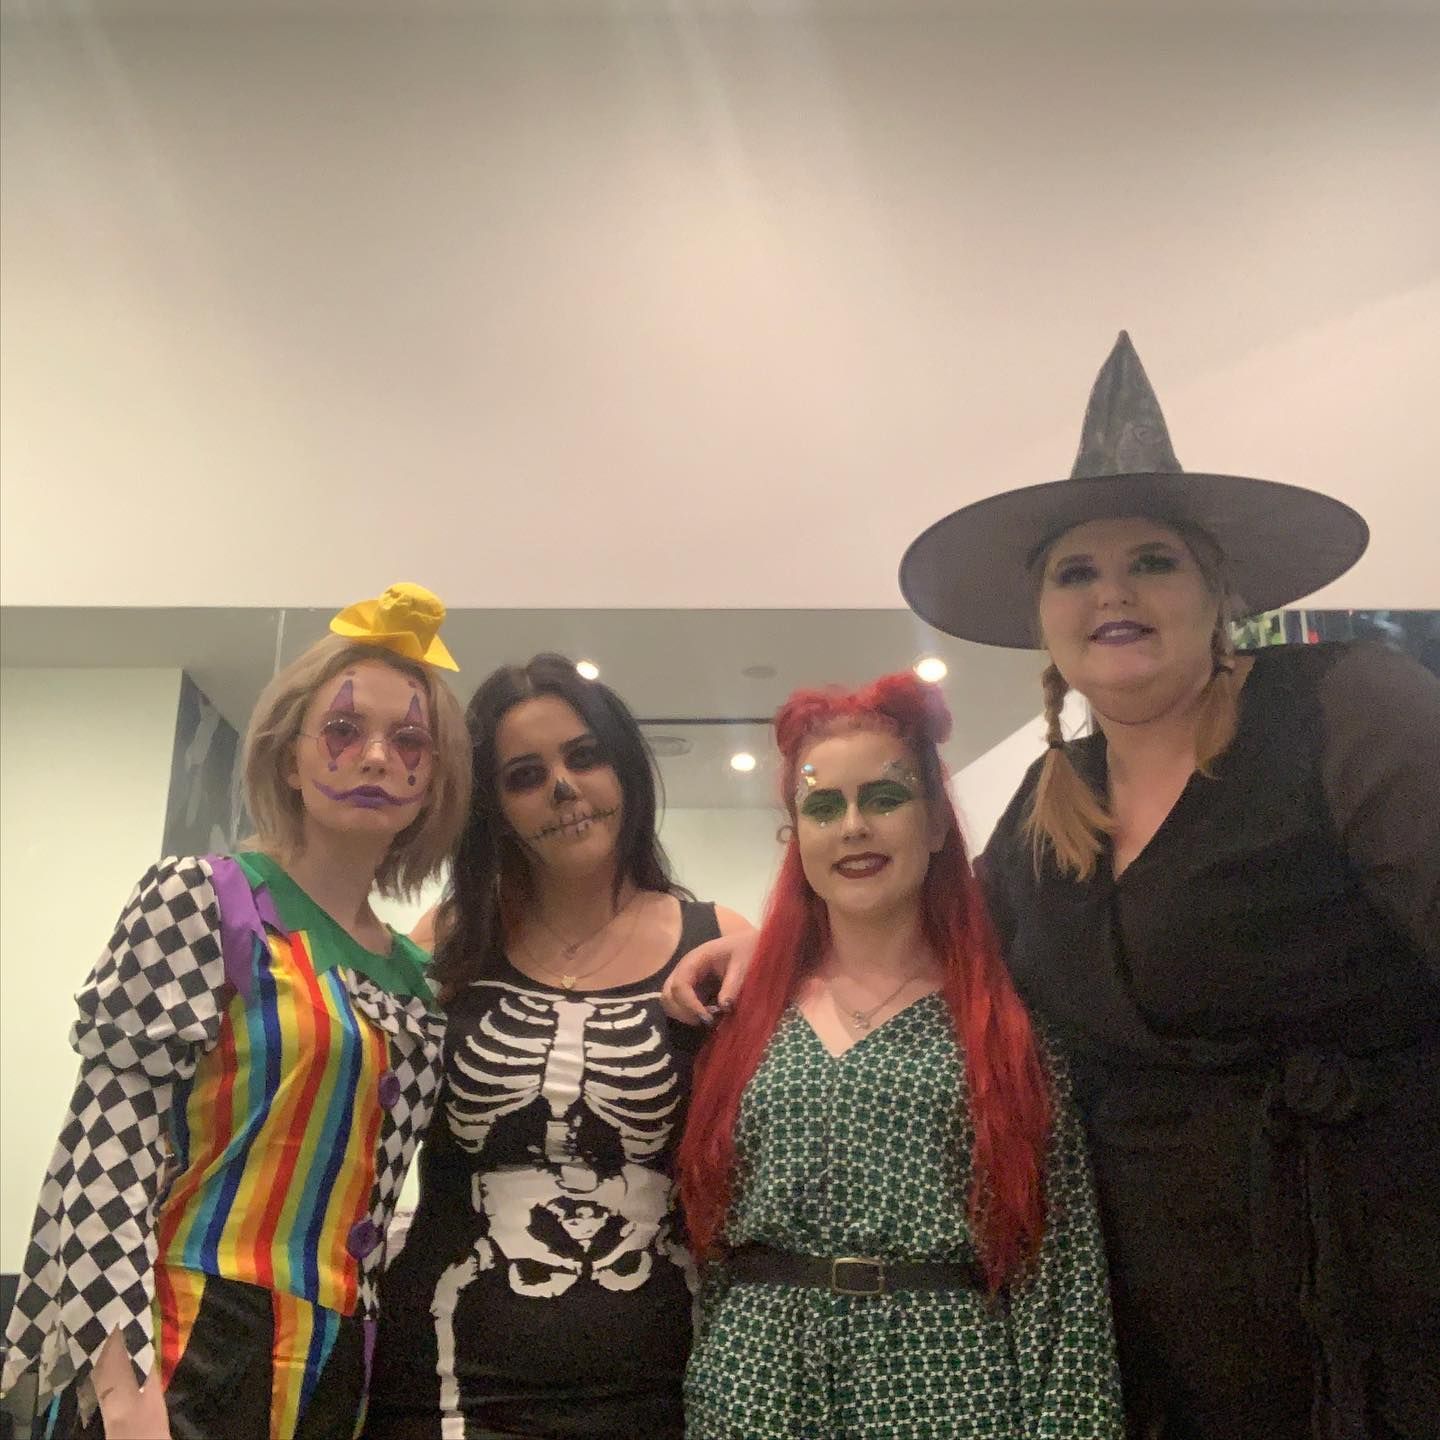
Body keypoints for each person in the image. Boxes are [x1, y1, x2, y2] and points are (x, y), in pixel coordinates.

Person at [669, 334, 1440, 1440]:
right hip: (1153, 1316)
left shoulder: (1349, 708)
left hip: (1371, 1282)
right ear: (1043, 610)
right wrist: (771, 941)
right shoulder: (1051, 799)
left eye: (1152, 561)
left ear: (1216, 584)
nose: (1111, 593)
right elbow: (930, 926)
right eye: (1076, 570)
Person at [0, 582, 472, 1439]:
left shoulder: (416, 980)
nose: (375, 757)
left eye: (409, 740)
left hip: (339, 1355)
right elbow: (108, 1157)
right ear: (289, 756)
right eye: (342, 729)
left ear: (434, 779)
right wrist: (124, 1393)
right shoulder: (202, 901)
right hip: (185, 1335)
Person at [677, 672, 1124, 1439]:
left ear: (937, 825)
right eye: (823, 806)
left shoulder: (1008, 1028)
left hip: (949, 1386)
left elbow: (1064, 1285)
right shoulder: (744, 1019)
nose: (853, 826)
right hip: (753, 1386)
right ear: (798, 837)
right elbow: (710, 1246)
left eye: (883, 798)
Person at [362, 654, 751, 1440]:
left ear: (626, 770)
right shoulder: (446, 945)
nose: (563, 788)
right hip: (445, 1386)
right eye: (525, 775)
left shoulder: (723, 944)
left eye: (584, 755)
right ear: (494, 807)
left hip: (658, 1387)